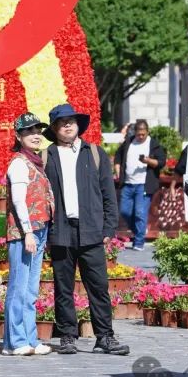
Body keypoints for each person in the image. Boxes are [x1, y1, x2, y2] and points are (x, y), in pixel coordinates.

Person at [42, 103, 128, 356]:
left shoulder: (95, 153)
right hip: (61, 230)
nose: (67, 125)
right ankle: (67, 336)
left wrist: (109, 227)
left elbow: (108, 193)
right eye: (61, 122)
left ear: (78, 125)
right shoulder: (47, 156)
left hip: (91, 230)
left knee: (98, 287)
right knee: (63, 288)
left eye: (71, 121)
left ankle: (105, 336)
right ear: (54, 129)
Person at [2, 112, 56, 356]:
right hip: (24, 233)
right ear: (18, 136)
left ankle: (29, 339)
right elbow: (18, 201)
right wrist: (28, 233)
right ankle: (16, 341)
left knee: (31, 289)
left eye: (38, 131)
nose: (36, 135)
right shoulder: (18, 163)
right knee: (19, 287)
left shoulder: (34, 162)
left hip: (39, 230)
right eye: (29, 131)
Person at [114, 119, 167, 250]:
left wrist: (147, 161)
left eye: (143, 134)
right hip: (127, 183)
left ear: (147, 132)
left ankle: (139, 242)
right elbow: (118, 156)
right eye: (139, 134)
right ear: (135, 132)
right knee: (124, 211)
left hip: (144, 185)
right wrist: (118, 170)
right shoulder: (129, 142)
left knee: (140, 213)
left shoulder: (153, 144)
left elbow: (161, 162)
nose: (141, 136)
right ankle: (139, 231)